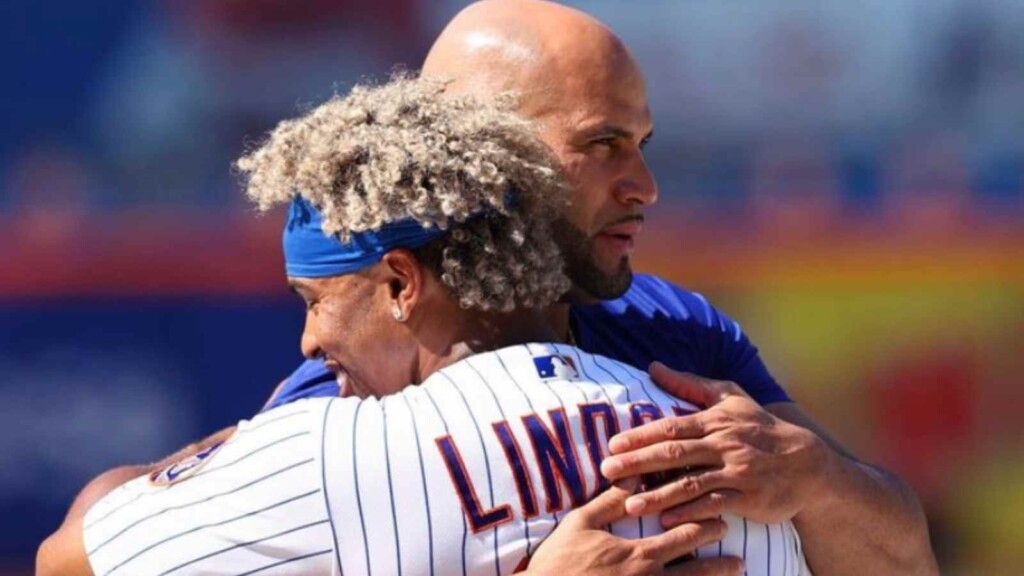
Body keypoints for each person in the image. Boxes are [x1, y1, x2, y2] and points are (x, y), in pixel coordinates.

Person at [265, 2, 938, 575]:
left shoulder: (673, 325)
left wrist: (816, 476)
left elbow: (906, 560)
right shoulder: (351, 374)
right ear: (481, 150)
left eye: (642, 141)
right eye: (605, 143)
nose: (645, 186)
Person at [38, 76, 797, 576]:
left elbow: (65, 562)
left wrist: (226, 450)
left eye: (316, 300)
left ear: (401, 284)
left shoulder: (329, 452)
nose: (309, 341)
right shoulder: (732, 448)